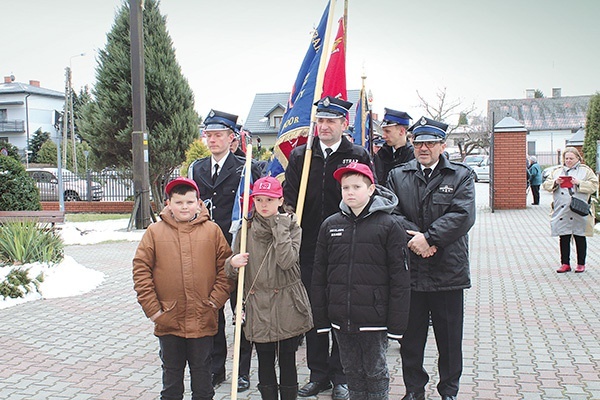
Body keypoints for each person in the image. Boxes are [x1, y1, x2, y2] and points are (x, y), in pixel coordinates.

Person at [284, 96, 373, 400]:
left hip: (346, 247)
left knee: (343, 313)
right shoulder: (302, 155)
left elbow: (367, 198)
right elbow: (290, 199)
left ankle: (342, 376)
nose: (323, 126)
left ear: (343, 124)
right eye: (320, 121)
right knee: (314, 312)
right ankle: (318, 374)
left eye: (330, 121)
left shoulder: (356, 155)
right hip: (308, 247)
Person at [386, 116, 476, 400]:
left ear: (442, 145)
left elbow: (463, 215)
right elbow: (390, 213)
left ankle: (449, 390)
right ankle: (414, 390)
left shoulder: (461, 175)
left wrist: (430, 238)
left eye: (431, 143)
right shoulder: (398, 175)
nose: (424, 148)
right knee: (411, 340)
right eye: (419, 142)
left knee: (449, 339)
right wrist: (417, 240)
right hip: (410, 269)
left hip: (448, 270)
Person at [311, 162, 411, 400]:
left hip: (374, 319)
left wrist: (397, 325)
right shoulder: (330, 225)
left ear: (371, 189)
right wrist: (322, 317)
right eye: (345, 187)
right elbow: (319, 275)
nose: (350, 192)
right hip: (341, 318)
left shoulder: (389, 225)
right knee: (351, 370)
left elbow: (400, 278)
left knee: (375, 371)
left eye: (357, 186)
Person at [132, 177, 233, 400]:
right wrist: (154, 310)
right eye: (178, 202)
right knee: (171, 380)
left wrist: (214, 302)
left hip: (203, 318)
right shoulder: (155, 232)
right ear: (168, 203)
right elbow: (141, 271)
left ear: (199, 203)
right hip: (169, 319)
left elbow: (226, 270)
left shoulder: (212, 231)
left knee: (203, 380)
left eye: (189, 202)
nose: (184, 207)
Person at [188, 109, 263, 391]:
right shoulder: (197, 168)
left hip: (238, 250)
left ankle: (241, 371)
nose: (212, 140)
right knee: (213, 313)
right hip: (208, 252)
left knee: (240, 313)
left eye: (219, 135)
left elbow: (255, 209)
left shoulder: (247, 167)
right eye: (209, 135)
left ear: (232, 138)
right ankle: (216, 369)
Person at [226, 176, 313, 400]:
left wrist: (280, 227)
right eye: (259, 200)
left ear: (280, 200)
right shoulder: (246, 229)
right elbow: (233, 267)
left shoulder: (292, 226)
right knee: (264, 361)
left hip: (286, 303)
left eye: (270, 200)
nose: (264, 205)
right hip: (259, 305)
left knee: (287, 359)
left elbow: (286, 261)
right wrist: (232, 264)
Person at [542, 147, 598, 273]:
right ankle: (565, 263)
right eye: (566, 158)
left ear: (578, 158)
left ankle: (581, 263)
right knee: (564, 236)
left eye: (571, 158)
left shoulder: (586, 171)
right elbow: (546, 184)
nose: (568, 161)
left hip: (578, 209)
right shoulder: (557, 171)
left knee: (580, 236)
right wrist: (556, 183)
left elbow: (594, 186)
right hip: (562, 210)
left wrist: (579, 183)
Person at [373, 108, 414, 183]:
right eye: (383, 131)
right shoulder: (381, 154)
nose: (383, 136)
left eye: (387, 131)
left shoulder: (413, 156)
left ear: (401, 131)